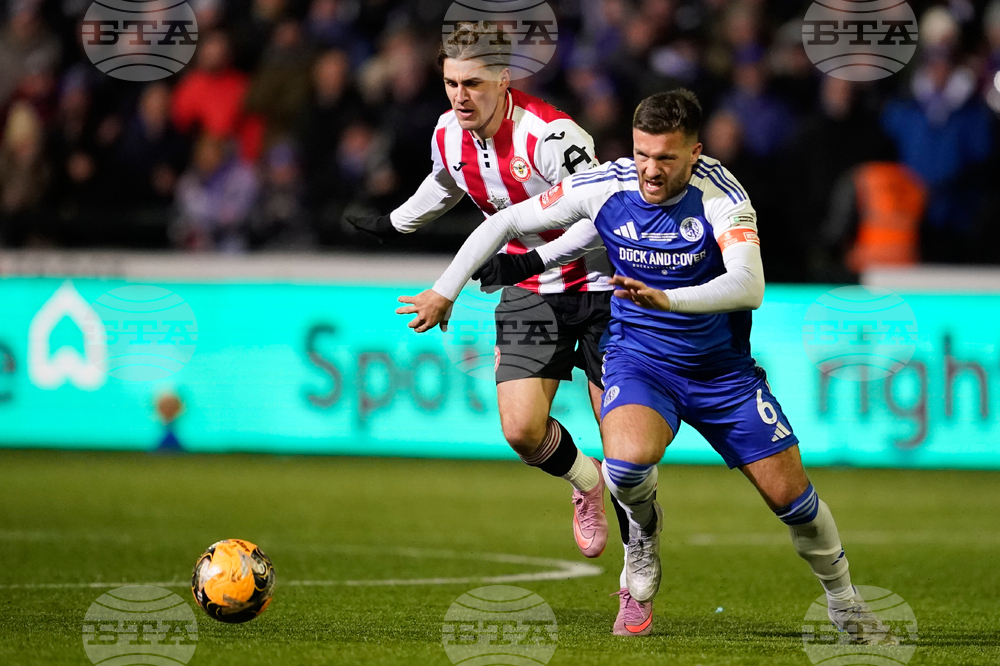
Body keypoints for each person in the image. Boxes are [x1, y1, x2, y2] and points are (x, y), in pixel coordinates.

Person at [398, 89, 891, 643]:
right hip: (640, 359)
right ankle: (644, 536)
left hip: (720, 373)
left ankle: (844, 602)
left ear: (696, 153)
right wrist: (460, 284)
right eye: (642, 154)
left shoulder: (722, 196)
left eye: (666, 158)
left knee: (794, 503)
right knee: (626, 463)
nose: (651, 171)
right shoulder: (608, 182)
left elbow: (749, 286)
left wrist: (668, 299)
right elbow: (508, 221)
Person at [346, 22, 637, 625]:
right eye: (450, 82)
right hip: (529, 296)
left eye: (473, 83)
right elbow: (444, 184)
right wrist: (398, 223)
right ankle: (585, 484)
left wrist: (528, 256)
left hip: (603, 291)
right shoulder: (447, 134)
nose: (460, 96)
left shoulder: (553, 137)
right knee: (522, 432)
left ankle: (635, 591)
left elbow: (602, 209)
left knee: (628, 455)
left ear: (504, 80)